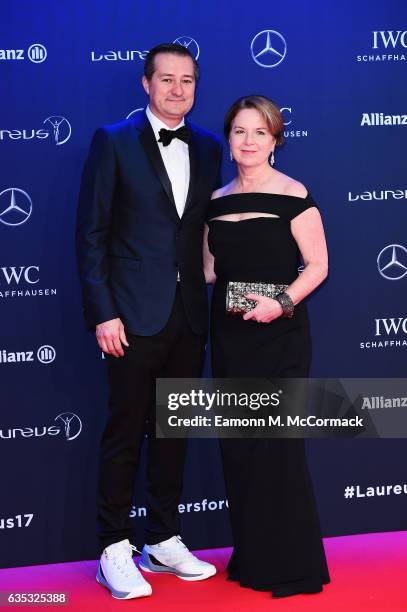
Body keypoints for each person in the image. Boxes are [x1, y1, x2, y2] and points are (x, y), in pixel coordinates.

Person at [76, 42, 222, 600]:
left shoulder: (209, 147)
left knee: (172, 434)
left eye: (187, 80)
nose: (177, 89)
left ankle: (162, 538)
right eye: (166, 79)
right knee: (124, 433)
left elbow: (204, 229)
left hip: (189, 316)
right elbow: (91, 234)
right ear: (145, 83)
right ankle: (113, 547)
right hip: (130, 317)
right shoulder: (112, 141)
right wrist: (103, 313)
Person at [203, 95, 330, 597]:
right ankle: (253, 554)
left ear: (275, 139)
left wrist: (279, 302)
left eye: (260, 132)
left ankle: (291, 565)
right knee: (240, 448)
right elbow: (210, 272)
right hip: (230, 334)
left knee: (276, 448)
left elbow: (318, 266)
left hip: (279, 335)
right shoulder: (215, 201)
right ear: (229, 139)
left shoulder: (295, 194)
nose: (249, 141)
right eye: (239, 131)